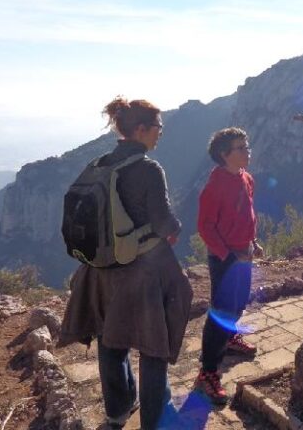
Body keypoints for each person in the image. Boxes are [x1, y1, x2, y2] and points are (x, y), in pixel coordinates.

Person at [59, 96, 192, 430]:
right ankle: (156, 419)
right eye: (158, 127)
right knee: (153, 346)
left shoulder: (100, 163)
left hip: (100, 271)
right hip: (141, 272)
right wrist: (175, 230)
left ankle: (117, 411)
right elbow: (162, 221)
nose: (160, 133)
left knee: (111, 339)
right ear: (142, 129)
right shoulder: (147, 168)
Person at [194, 127, 264, 405]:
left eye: (247, 146)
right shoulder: (214, 186)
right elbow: (205, 226)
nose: (248, 151)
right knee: (220, 312)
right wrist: (226, 255)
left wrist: (253, 242)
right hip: (225, 259)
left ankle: (230, 339)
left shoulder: (246, 178)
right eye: (241, 148)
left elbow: (248, 215)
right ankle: (208, 372)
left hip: (243, 254)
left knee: (238, 303)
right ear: (224, 155)